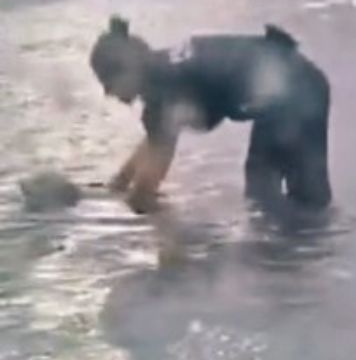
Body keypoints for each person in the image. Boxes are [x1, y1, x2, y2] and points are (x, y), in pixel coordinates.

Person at [89, 16, 332, 215]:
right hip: (299, 81)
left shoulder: (163, 91)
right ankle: (321, 259)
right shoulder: (164, 68)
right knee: (298, 198)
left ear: (128, 69)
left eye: (108, 82)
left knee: (270, 202)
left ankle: (303, 260)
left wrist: (168, 232)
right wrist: (118, 184)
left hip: (288, 95)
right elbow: (154, 142)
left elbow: (144, 192)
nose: (108, 93)